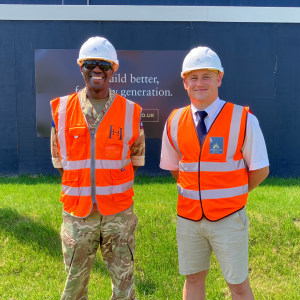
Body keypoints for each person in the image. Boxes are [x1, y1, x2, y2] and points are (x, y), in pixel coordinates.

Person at [160, 46, 269, 300]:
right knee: (194, 279)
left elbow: (260, 170)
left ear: (219, 78)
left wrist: (230, 192)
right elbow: (177, 170)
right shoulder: (174, 121)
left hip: (229, 218)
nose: (200, 83)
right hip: (189, 219)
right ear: (184, 82)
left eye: (206, 76)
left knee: (238, 286)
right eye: (193, 77)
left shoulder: (243, 119)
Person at [50, 36, 145, 300]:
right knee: (74, 288)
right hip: (78, 216)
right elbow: (61, 163)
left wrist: (108, 184)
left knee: (124, 286)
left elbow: (134, 160)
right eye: (90, 63)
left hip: (119, 215)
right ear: (81, 66)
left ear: (114, 68)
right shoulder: (62, 110)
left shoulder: (131, 112)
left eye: (104, 64)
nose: (97, 70)